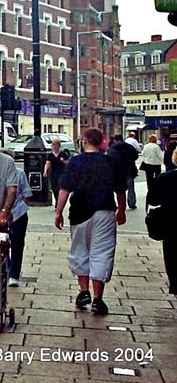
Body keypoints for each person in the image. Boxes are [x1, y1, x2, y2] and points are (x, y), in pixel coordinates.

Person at [54, 127, 128, 316]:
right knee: (102, 252)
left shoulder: (75, 162)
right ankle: (98, 298)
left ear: (85, 140)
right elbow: (120, 189)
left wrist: (58, 211)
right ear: (101, 141)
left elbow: (64, 188)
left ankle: (83, 290)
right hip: (104, 210)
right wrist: (121, 210)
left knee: (80, 250)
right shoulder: (111, 161)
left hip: (79, 212)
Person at [147, 169, 177, 296]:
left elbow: (152, 200)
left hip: (172, 225)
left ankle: (175, 286)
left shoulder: (166, 178)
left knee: (173, 257)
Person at [7, 166, 33, 287]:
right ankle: (7, 270)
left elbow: (27, 193)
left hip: (18, 214)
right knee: (2, 245)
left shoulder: (19, 173)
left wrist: (21, 206)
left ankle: (14, 275)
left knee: (17, 244)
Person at [107, 134, 139, 210]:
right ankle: (132, 203)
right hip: (129, 170)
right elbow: (136, 156)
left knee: (119, 189)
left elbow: (110, 159)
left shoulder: (112, 148)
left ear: (115, 139)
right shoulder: (129, 146)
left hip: (117, 172)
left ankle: (120, 205)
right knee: (131, 187)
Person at [43, 138, 70, 202]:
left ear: (59, 146)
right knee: (54, 188)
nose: (55, 147)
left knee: (59, 187)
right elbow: (47, 163)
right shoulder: (50, 155)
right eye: (53, 145)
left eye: (56, 145)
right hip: (53, 173)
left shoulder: (63, 154)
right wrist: (45, 171)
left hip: (61, 173)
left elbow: (68, 163)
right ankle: (57, 201)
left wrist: (63, 161)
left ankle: (58, 203)